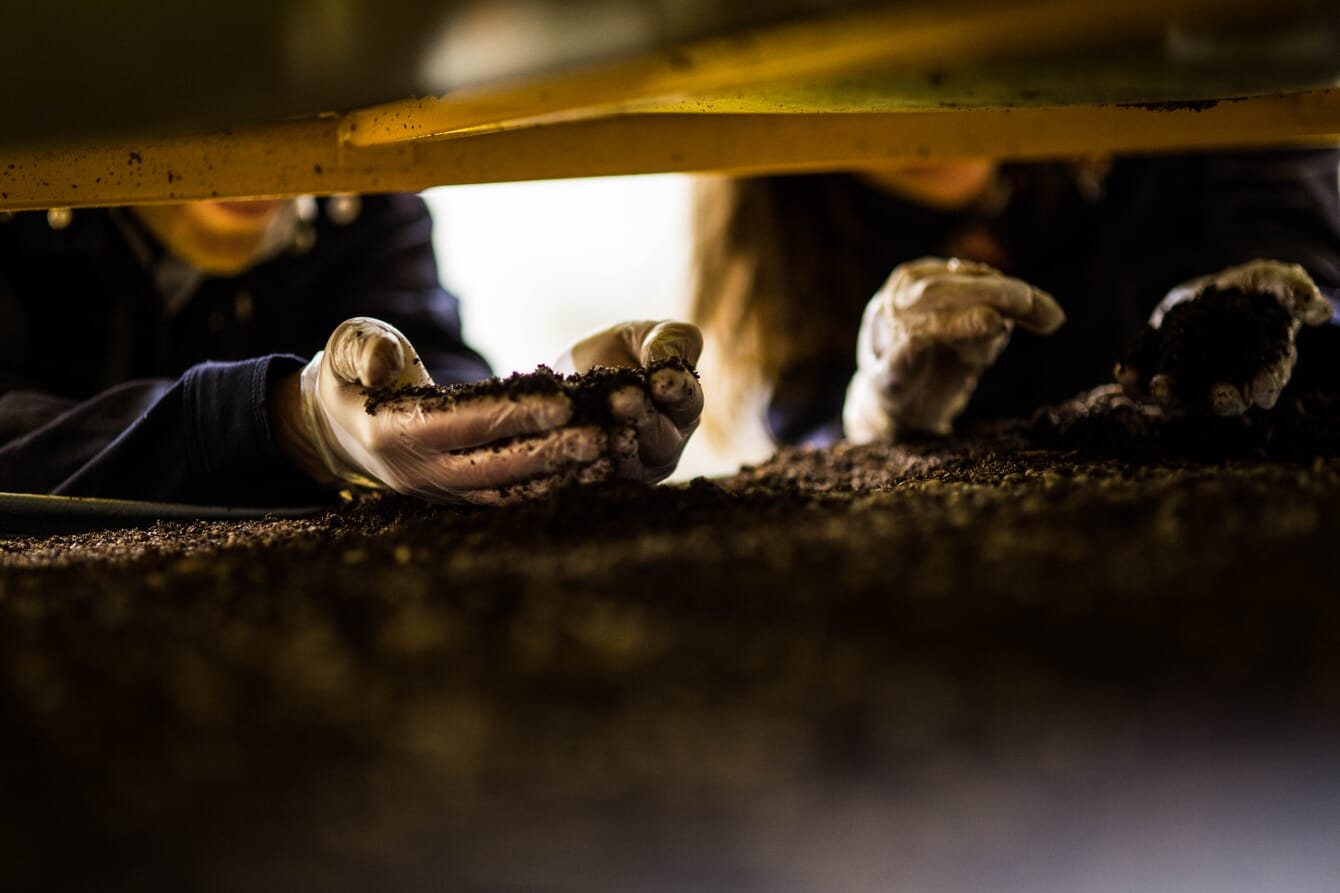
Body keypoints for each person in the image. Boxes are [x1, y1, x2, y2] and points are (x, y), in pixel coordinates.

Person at [0, 193, 702, 506]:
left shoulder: (355, 201)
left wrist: (552, 418)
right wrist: (281, 421)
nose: (260, 173)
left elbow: (426, 365)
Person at [690, 149, 1340, 448]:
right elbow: (801, 410)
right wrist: (869, 415)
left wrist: (1255, 305)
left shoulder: (1184, 112)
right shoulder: (796, 233)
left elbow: (1288, 218)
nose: (926, 97)